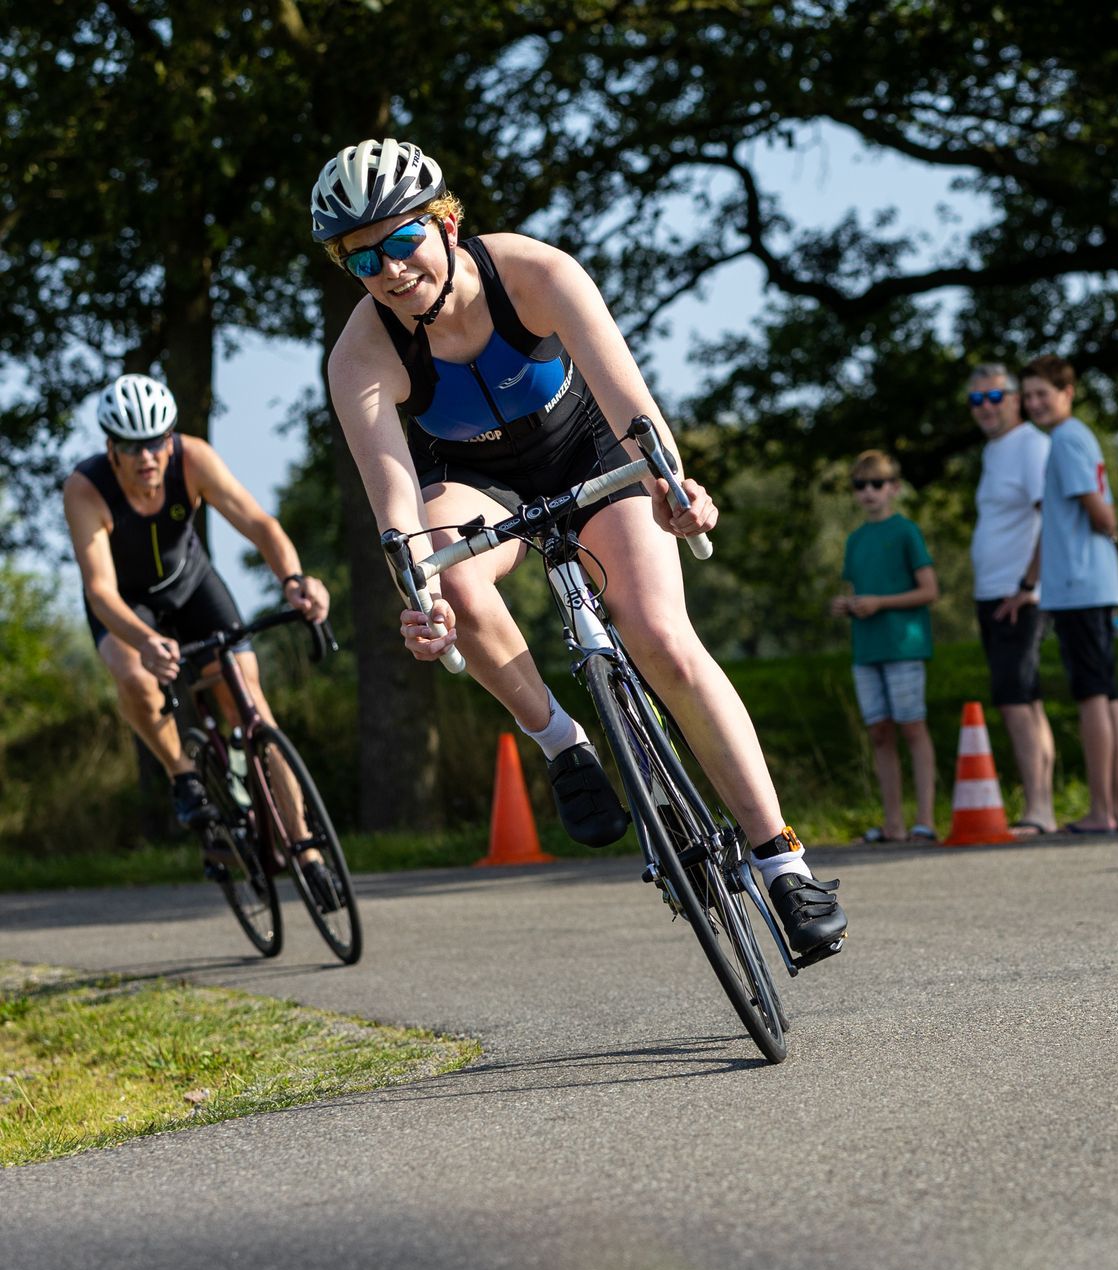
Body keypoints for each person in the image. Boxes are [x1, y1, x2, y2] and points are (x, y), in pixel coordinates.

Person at [310, 137, 845, 961]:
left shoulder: (533, 272)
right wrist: (418, 599)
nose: (387, 267)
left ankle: (782, 862)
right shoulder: (361, 355)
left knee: (658, 633)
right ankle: (562, 741)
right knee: (447, 580)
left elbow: (630, 403)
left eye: (401, 239)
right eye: (361, 258)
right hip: (473, 479)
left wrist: (672, 485)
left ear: (445, 222)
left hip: (590, 456)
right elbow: (397, 509)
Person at [62, 373, 334, 886]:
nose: (147, 458)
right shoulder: (85, 489)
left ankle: (307, 850)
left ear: (170, 439)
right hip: (127, 603)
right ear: (111, 448)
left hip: (190, 585)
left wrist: (295, 581)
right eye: (132, 446)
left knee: (249, 704)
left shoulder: (194, 459)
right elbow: (99, 590)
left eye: (156, 442)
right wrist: (144, 641)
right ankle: (183, 775)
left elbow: (259, 525)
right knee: (137, 678)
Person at [1004, 355, 1118, 835]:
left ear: (1067, 392)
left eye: (1044, 393)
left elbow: (1099, 512)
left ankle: (1104, 810)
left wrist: (1111, 528)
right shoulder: (1073, 437)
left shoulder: (1065, 439)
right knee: (1108, 695)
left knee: (1092, 697)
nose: (1036, 403)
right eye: (1029, 395)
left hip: (1081, 587)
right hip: (1088, 585)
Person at [966, 363, 1057, 835]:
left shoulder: (1030, 447)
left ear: (1015, 397)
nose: (986, 408)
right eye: (976, 400)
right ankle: (1043, 807)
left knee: (1017, 699)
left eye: (994, 397)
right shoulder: (996, 450)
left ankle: (1039, 809)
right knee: (1024, 698)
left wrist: (1028, 586)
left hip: (1017, 595)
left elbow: (1051, 519)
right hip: (996, 592)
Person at [832, 450, 941, 843]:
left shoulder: (906, 531)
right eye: (861, 485)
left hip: (904, 646)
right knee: (879, 733)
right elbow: (855, 590)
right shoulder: (855, 539)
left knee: (913, 727)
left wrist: (880, 602)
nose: (869, 492)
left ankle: (924, 819)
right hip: (867, 649)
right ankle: (893, 823)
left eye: (877, 484)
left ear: (893, 488)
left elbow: (930, 590)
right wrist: (847, 605)